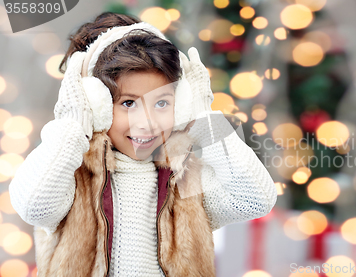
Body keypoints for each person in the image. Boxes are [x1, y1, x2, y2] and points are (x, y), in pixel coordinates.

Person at [8, 12, 277, 277]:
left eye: (162, 103)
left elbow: (255, 200)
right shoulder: (69, 171)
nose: (147, 123)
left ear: (180, 104)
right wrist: (74, 124)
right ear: (96, 105)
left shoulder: (185, 176)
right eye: (128, 103)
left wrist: (204, 119)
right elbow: (34, 206)